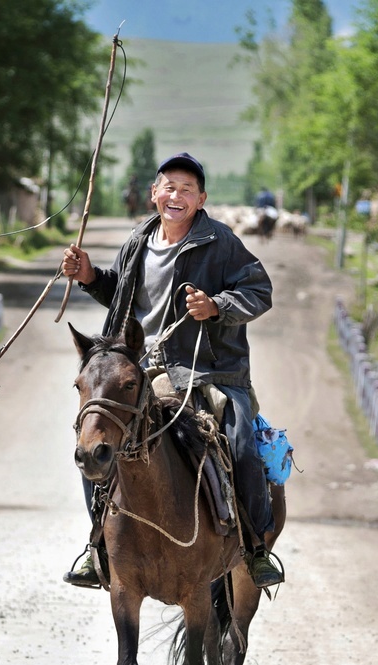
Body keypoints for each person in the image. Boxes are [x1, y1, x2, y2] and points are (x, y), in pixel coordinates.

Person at [61, 151, 285, 591]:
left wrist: (217, 306)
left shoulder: (221, 243)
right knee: (96, 443)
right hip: (137, 373)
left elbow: (260, 291)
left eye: (187, 189)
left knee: (240, 440)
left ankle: (256, 547)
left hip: (208, 373)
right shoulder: (138, 240)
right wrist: (89, 276)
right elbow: (123, 297)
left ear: (201, 199)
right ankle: (97, 548)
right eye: (169, 187)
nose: (176, 195)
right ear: (154, 195)